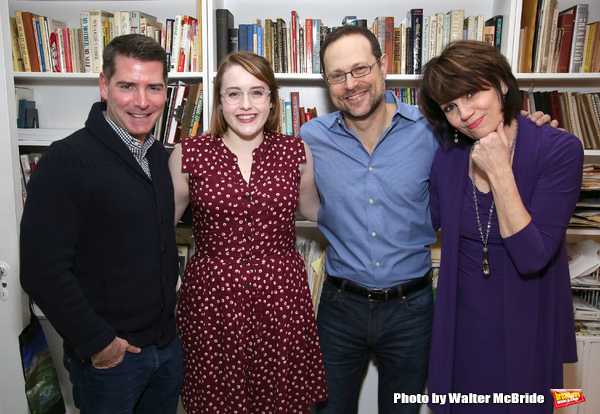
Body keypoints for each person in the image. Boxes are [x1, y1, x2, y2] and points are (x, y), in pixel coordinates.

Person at [299, 25, 557, 414]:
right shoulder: (310, 136)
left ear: (382, 65)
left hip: (413, 309)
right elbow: (307, 204)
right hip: (339, 306)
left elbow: (487, 128)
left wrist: (528, 121)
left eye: (360, 69)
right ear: (326, 81)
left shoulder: (434, 130)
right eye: (337, 75)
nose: (350, 84)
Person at [20, 34, 183, 414]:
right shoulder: (67, 160)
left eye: (154, 88)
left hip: (166, 349)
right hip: (113, 361)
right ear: (104, 85)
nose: (142, 101)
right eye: (127, 86)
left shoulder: (156, 154)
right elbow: (42, 271)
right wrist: (98, 343)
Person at [418, 40, 581, 413]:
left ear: (502, 84)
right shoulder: (450, 154)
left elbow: (532, 256)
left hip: (527, 317)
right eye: (450, 107)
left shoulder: (560, 150)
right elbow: (426, 221)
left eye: (472, 93)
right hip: (461, 320)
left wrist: (499, 169)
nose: (465, 114)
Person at [169, 51, 327, 413]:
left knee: (279, 401)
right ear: (220, 100)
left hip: (281, 297)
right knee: (214, 399)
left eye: (257, 92)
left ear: (272, 100)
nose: (246, 104)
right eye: (233, 93)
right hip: (212, 300)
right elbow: (160, 229)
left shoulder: (295, 152)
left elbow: (315, 211)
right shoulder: (188, 154)